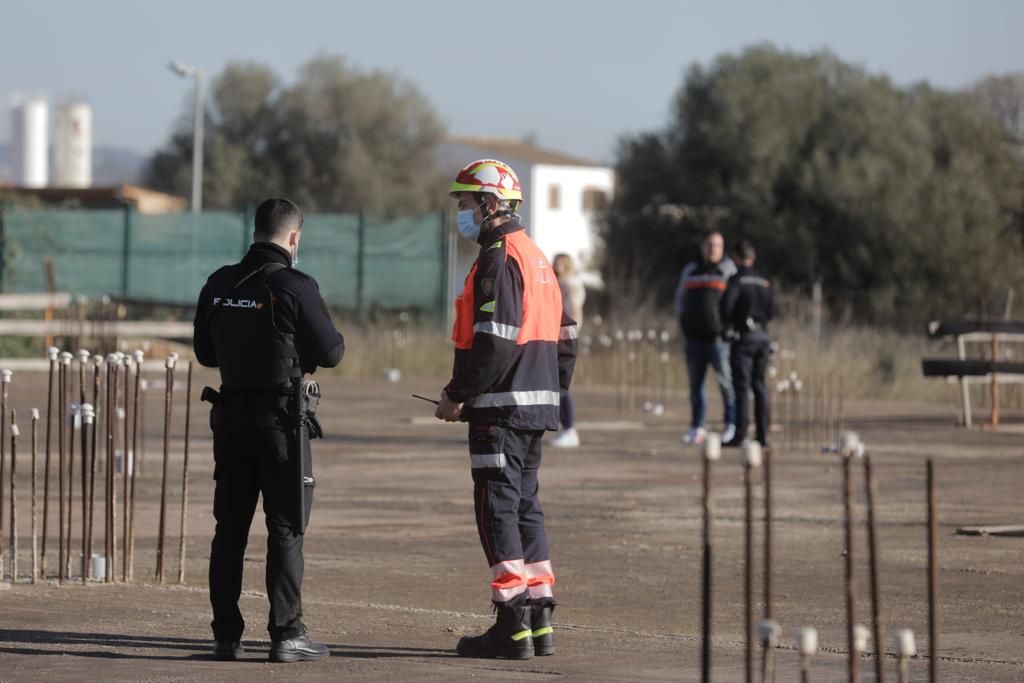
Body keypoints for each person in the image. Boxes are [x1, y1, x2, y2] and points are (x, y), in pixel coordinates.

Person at [436, 159, 577, 660]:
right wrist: (550, 391)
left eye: (466, 204)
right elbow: (568, 337)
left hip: (499, 409)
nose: (463, 214)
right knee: (525, 507)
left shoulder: (498, 256)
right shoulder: (537, 256)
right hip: (534, 408)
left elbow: (492, 341)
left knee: (497, 509)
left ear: (490, 205)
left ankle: (510, 622)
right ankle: (540, 619)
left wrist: (457, 394)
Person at [193, 198, 345, 663]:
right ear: (293, 237)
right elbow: (333, 351)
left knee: (229, 530)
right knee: (285, 529)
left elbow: (206, 354)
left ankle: (225, 635)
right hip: (282, 424)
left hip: (232, 418)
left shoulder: (219, 283)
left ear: (256, 230)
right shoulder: (295, 286)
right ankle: (286, 633)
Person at [675, 230, 737, 445]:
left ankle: (731, 424)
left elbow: (734, 301)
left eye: (717, 245)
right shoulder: (691, 270)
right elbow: (680, 300)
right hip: (694, 339)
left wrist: (727, 328)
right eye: (710, 245)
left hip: (718, 340)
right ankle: (697, 426)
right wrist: (683, 323)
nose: (713, 249)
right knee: (696, 387)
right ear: (703, 247)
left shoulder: (728, 270)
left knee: (726, 384)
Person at [720, 240, 774, 447]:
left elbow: (726, 307)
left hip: (744, 338)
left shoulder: (736, 280)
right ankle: (764, 435)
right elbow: (771, 312)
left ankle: (740, 434)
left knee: (741, 388)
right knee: (760, 386)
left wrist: (729, 326)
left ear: (735, 257)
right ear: (753, 257)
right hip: (763, 337)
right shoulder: (764, 281)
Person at [550, 253, 585, 448]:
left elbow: (574, 312)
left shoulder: (571, 285)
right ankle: (565, 427)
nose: (557, 267)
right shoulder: (557, 283)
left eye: (561, 264)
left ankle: (570, 428)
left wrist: (569, 335)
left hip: (564, 338)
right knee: (556, 384)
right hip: (556, 336)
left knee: (562, 384)